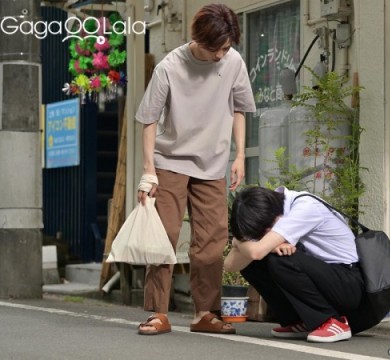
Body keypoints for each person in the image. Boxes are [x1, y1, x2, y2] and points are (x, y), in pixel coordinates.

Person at [134, 3, 256, 335]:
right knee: (164, 237)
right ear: (198, 38)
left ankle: (206, 312)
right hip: (170, 161)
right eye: (214, 47)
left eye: (226, 47)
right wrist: (149, 170)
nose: (220, 55)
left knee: (212, 241)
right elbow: (148, 119)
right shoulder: (170, 67)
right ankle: (158, 312)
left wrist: (240, 155)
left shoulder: (233, 62)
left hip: (213, 164)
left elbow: (241, 107)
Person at [224, 186, 364, 343]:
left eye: (264, 232)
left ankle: (332, 321)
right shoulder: (271, 209)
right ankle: (300, 321)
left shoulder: (305, 208)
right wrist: (258, 246)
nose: (265, 236)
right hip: (327, 282)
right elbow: (230, 265)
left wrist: (238, 241)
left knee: (280, 260)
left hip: (349, 286)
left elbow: (256, 252)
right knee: (252, 263)